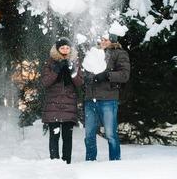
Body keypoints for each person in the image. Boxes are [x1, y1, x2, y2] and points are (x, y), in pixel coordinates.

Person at [84, 33, 130, 161]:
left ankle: (115, 162)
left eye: (106, 39)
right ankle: (90, 162)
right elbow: (85, 71)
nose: (103, 42)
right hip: (90, 98)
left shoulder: (119, 53)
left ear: (113, 40)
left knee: (110, 134)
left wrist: (107, 75)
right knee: (89, 135)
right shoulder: (93, 52)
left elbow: (124, 75)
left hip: (108, 98)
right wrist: (87, 77)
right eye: (101, 39)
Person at [41, 37, 83, 164]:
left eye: (67, 48)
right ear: (57, 49)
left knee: (67, 137)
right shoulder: (50, 62)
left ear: (70, 49)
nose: (65, 50)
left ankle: (66, 162)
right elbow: (45, 82)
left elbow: (80, 82)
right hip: (53, 104)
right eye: (62, 48)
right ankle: (54, 162)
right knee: (54, 135)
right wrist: (56, 70)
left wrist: (72, 71)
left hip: (69, 105)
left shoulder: (75, 62)